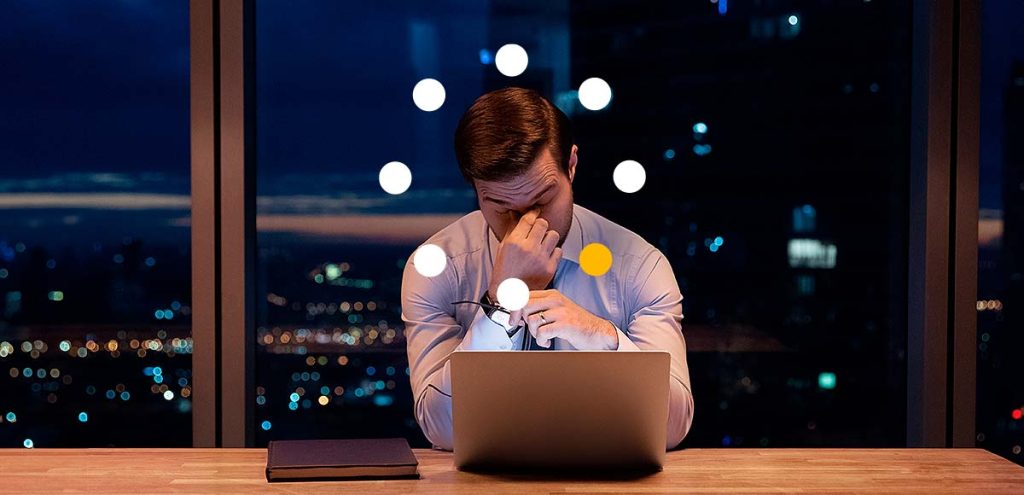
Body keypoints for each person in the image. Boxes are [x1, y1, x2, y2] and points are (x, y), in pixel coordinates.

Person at [401, 87, 694, 451]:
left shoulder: (638, 266)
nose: (527, 225)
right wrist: (498, 306)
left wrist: (600, 336)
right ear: (475, 190)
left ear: (571, 165)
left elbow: (673, 425)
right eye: (501, 206)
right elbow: (442, 430)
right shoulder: (438, 268)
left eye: (542, 200)